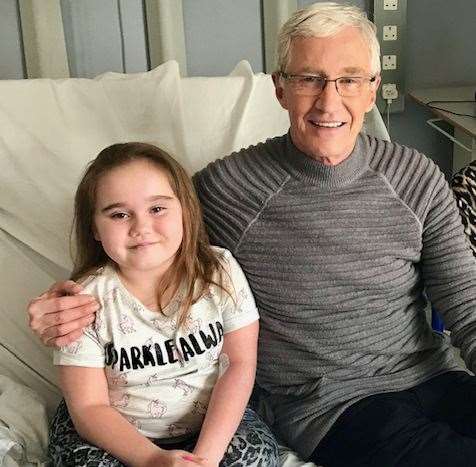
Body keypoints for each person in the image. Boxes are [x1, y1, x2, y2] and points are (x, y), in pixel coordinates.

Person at [28, 3, 476, 466]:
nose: (329, 101)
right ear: (280, 88)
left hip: (435, 377)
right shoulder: (227, 189)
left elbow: (465, 301)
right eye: (309, 79)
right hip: (330, 407)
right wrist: (63, 303)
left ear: (372, 90)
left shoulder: (416, 176)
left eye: (348, 79)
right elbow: (145, 235)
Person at [46, 142, 279, 467]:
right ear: (95, 229)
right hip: (115, 434)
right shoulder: (81, 304)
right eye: (119, 214)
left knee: (257, 457)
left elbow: (238, 364)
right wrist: (153, 459)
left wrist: (205, 459)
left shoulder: (219, 270)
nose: (141, 227)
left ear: (185, 209)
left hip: (208, 426)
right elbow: (89, 409)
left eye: (157, 209)